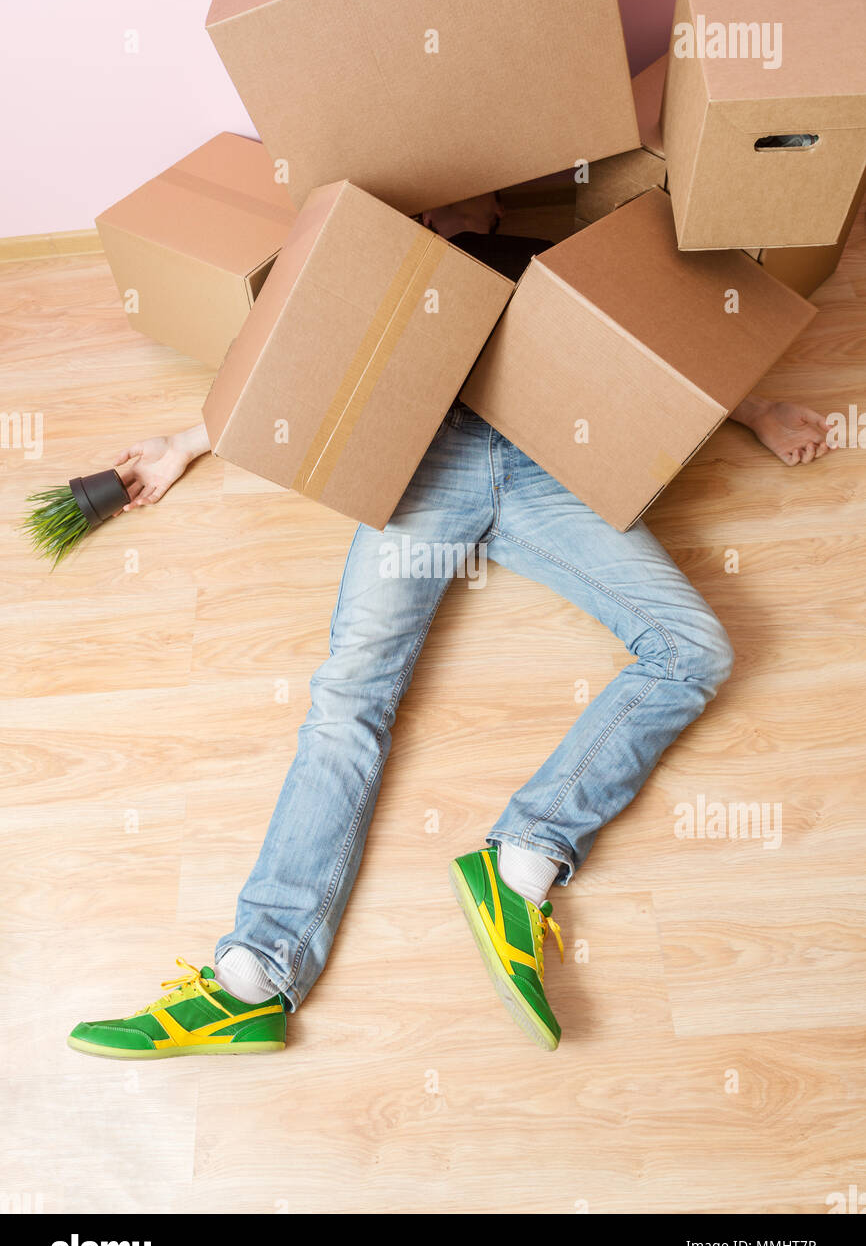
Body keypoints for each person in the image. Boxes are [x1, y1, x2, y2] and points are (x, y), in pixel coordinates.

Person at [67, 191, 835, 1058]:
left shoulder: (547, 256)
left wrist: (759, 411)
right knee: (350, 695)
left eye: (474, 187)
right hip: (424, 472)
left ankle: (520, 867)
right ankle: (254, 980)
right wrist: (184, 440)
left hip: (550, 468)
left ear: (499, 206)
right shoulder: (381, 264)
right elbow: (289, 361)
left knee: (695, 649)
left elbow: (655, 342)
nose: (450, 199)